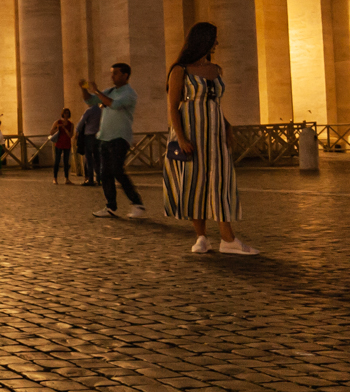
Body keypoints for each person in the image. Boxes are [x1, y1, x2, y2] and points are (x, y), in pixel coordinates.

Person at [163, 22, 255, 255]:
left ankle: (228, 239)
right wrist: (182, 139)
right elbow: (173, 107)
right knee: (194, 183)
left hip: (214, 135)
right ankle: (201, 237)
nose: (217, 42)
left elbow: (214, 103)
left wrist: (226, 125)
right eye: (214, 38)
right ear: (202, 40)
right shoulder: (179, 70)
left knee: (220, 182)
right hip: (190, 135)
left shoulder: (216, 69)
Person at [82, 64, 148, 220]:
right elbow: (90, 101)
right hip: (104, 137)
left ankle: (137, 203)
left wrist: (97, 91)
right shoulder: (110, 91)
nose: (112, 77)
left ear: (125, 75)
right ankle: (110, 206)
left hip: (120, 137)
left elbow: (115, 104)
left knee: (117, 170)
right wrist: (84, 89)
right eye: (112, 74)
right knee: (104, 174)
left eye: (116, 74)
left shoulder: (129, 93)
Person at [75, 103, 102, 186]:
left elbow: (81, 122)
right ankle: (99, 179)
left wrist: (77, 131)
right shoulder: (101, 111)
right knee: (97, 158)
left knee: (89, 158)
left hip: (89, 136)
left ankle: (90, 179)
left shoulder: (89, 111)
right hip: (98, 136)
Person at [50, 110, 75, 182]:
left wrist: (65, 129)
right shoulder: (57, 122)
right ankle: (55, 178)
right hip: (59, 144)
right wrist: (57, 128)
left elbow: (70, 135)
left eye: (67, 113)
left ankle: (67, 178)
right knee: (57, 161)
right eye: (65, 113)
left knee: (66, 162)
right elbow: (51, 132)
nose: (66, 115)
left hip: (67, 144)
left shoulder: (71, 124)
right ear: (63, 114)